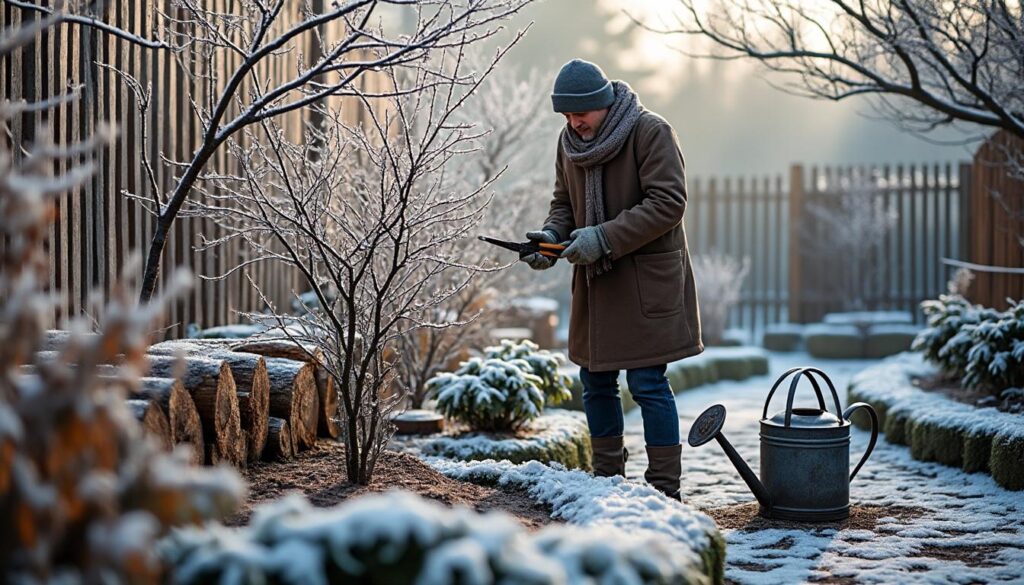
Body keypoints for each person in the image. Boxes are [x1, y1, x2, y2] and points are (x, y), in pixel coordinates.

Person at [524, 59, 703, 500]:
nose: (573, 123)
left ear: (601, 103)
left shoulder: (650, 131)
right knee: (595, 382)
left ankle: (664, 491)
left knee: (647, 384)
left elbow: (668, 202)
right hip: (597, 286)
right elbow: (563, 203)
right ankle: (606, 483)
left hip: (645, 283)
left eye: (579, 113)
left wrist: (603, 237)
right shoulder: (570, 143)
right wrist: (550, 239)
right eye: (566, 116)